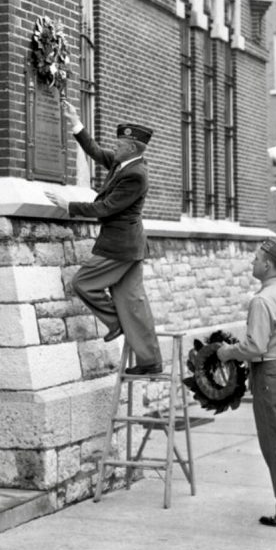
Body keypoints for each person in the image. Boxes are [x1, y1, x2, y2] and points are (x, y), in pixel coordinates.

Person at [44, 101, 161, 375]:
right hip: (129, 247)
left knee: (82, 283)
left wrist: (68, 206)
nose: (115, 147)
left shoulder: (135, 175)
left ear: (132, 148)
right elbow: (95, 151)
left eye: (120, 144)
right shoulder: (123, 164)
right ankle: (150, 362)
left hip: (119, 247)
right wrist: (75, 122)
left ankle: (115, 323)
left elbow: (106, 209)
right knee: (133, 303)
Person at [216, 238, 276, 529]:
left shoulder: (262, 300)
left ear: (268, 264)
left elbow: (255, 347)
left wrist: (226, 352)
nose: (253, 262)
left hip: (273, 374)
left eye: (256, 258)